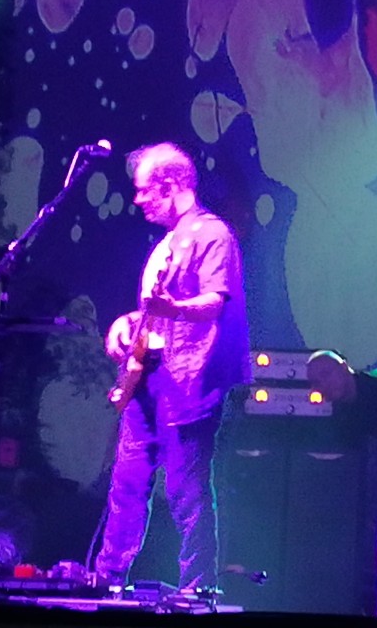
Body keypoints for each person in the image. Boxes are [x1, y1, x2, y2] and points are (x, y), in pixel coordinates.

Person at [95, 143, 251, 591]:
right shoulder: (166, 243)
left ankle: (196, 590)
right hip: (147, 378)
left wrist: (173, 308)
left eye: (144, 190)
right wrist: (125, 325)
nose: (138, 199)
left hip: (189, 378)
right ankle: (107, 579)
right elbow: (156, 314)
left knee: (186, 491)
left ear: (169, 185)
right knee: (127, 484)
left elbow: (214, 302)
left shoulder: (212, 234)